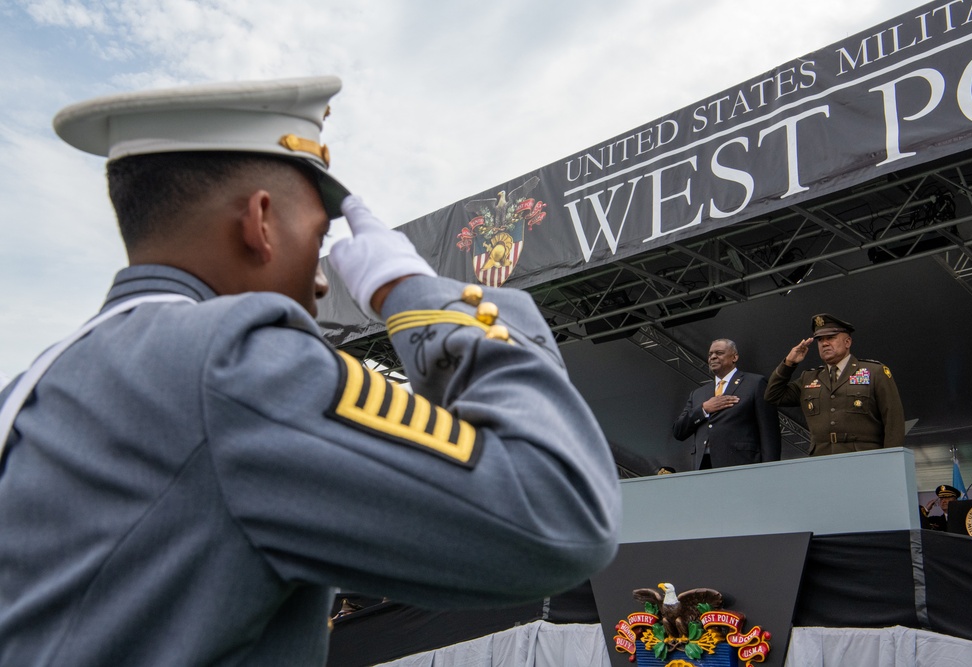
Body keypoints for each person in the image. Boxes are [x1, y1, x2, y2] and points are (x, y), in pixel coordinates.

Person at [0, 77, 621, 666]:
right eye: (319, 239)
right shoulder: (230, 365)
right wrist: (416, 292)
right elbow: (557, 512)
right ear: (260, 222)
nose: (323, 280)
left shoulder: (33, 389)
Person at [765, 313, 904, 456]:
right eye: (820, 340)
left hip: (864, 457)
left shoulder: (874, 371)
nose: (824, 343)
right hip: (822, 459)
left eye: (831, 338)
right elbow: (773, 396)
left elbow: (893, 420)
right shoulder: (809, 377)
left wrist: (891, 459)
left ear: (847, 342)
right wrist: (788, 363)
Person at [672, 339, 781, 470]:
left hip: (741, 464)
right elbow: (678, 431)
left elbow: (769, 432)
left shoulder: (755, 383)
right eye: (710, 354)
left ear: (734, 357)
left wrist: (771, 469)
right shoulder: (698, 394)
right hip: (704, 466)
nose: (713, 357)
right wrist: (704, 409)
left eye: (719, 353)